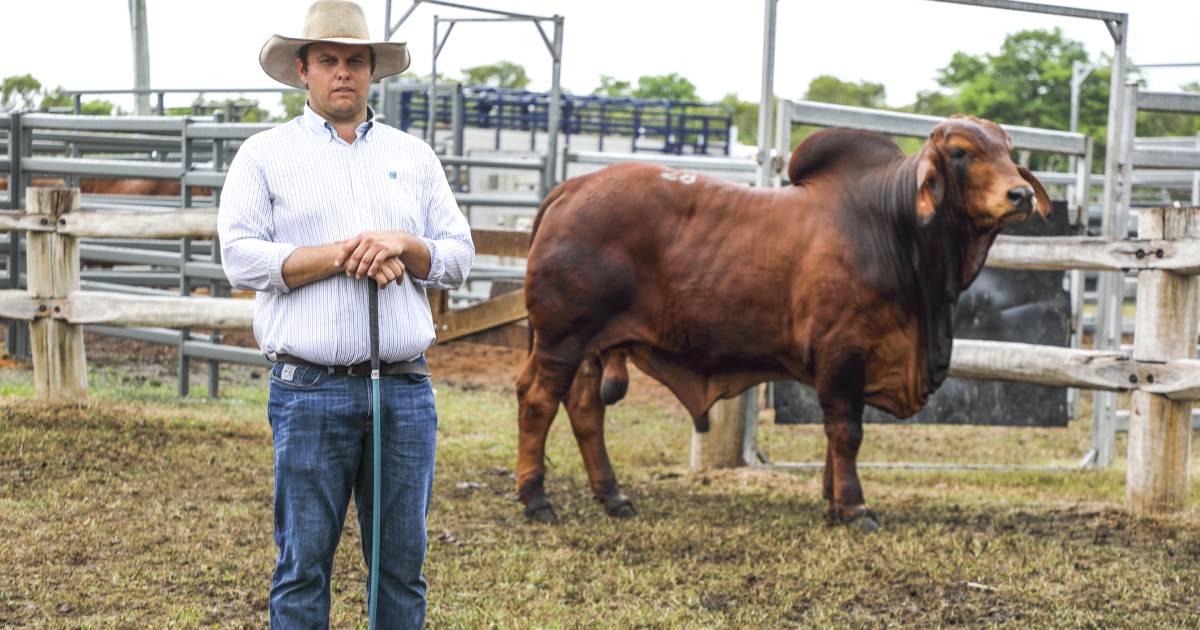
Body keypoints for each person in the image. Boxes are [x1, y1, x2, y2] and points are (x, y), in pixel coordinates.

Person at [217, 1, 474, 626]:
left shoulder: (414, 157)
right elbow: (241, 259)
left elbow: (459, 255)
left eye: (355, 61)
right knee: (303, 565)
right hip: (309, 386)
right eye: (328, 60)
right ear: (303, 70)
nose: (342, 73)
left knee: (401, 565)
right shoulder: (264, 155)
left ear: (372, 72)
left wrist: (404, 245)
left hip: (404, 389)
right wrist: (342, 254)